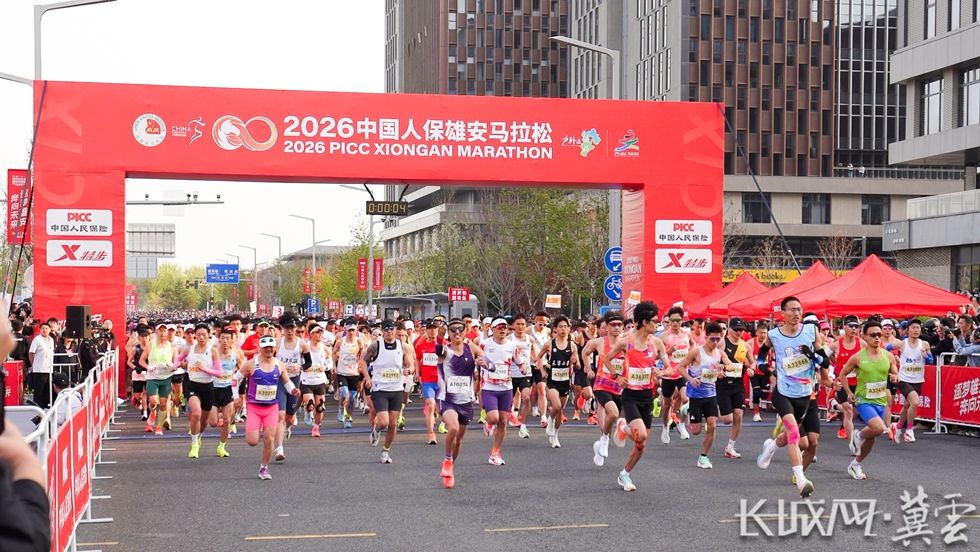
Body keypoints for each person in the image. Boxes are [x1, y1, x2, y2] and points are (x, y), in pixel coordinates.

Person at [755, 296, 832, 498]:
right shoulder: (773, 335)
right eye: (792, 310)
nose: (796, 313)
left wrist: (812, 355)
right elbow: (761, 356)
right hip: (783, 393)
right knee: (794, 434)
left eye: (799, 309)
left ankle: (770, 448)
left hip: (805, 394)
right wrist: (765, 368)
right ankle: (801, 480)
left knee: (791, 435)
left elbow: (825, 362)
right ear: (783, 313)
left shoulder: (810, 331)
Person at [604, 301, 671, 492]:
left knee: (642, 443)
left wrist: (661, 372)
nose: (657, 324)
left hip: (647, 395)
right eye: (654, 321)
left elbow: (669, 367)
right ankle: (624, 427)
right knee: (640, 434)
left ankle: (624, 474)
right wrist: (617, 377)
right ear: (644, 322)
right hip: (630, 395)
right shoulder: (626, 341)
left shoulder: (657, 343)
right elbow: (606, 359)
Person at [232, 335, 300, 480]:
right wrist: (236, 397)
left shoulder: (279, 365)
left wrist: (293, 390)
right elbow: (235, 379)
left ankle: (264, 468)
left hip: (271, 407)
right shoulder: (251, 364)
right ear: (260, 349)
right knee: (252, 441)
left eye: (271, 347)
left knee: (269, 438)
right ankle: (255, 430)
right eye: (265, 347)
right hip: (254, 407)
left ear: (275, 348)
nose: (269, 349)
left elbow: (287, 382)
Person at [837, 321, 899, 480]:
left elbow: (895, 372)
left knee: (872, 438)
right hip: (864, 400)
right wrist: (848, 392)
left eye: (879, 334)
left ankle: (855, 464)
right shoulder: (858, 357)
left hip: (881, 401)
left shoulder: (888, 355)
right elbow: (842, 374)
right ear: (865, 336)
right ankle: (858, 435)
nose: (877, 338)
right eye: (873, 335)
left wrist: (895, 377)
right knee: (878, 428)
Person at [677, 322, 738, 469]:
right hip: (696, 396)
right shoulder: (696, 352)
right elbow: (680, 367)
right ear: (706, 337)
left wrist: (724, 368)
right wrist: (690, 379)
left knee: (712, 426)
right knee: (696, 431)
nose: (715, 342)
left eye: (718, 339)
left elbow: (731, 366)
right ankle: (686, 410)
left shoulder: (720, 353)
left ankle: (703, 457)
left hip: (711, 395)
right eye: (712, 339)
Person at [436, 318, 487, 488]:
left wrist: (484, 363)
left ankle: (450, 468)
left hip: (466, 400)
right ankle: (447, 460)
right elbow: (437, 349)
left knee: (458, 440)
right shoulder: (445, 350)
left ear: (465, 332)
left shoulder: (471, 348)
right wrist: (439, 336)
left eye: (460, 329)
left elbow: (490, 363)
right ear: (448, 333)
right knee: (453, 428)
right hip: (447, 399)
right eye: (453, 330)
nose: (457, 332)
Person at [359, 319, 415, 464]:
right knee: (384, 422)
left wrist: (409, 370)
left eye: (391, 329)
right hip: (380, 388)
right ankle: (377, 429)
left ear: (395, 330)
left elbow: (411, 364)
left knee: (393, 424)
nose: (389, 331)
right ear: (382, 331)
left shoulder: (403, 346)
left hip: (396, 389)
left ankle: (385, 451)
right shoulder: (376, 345)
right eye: (386, 329)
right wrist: (367, 377)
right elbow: (363, 361)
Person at [479, 318, 524, 466]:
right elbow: (475, 358)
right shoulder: (485, 344)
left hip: (506, 388)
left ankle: (495, 453)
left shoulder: (512, 346)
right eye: (499, 327)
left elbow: (520, 362)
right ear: (492, 329)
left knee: (503, 421)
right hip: (489, 387)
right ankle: (488, 422)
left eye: (505, 327)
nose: (503, 330)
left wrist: (524, 369)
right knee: (493, 417)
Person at [586, 311, 625, 468]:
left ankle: (600, 445)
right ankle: (604, 439)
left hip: (618, 387)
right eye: (613, 325)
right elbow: (585, 352)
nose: (616, 327)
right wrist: (588, 368)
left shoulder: (625, 343)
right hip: (601, 384)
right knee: (613, 413)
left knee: (613, 417)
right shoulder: (599, 342)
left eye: (619, 325)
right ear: (607, 327)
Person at [535, 315, 579, 449]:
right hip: (552, 380)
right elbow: (539, 357)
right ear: (555, 329)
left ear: (569, 329)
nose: (563, 329)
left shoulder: (572, 345)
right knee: (557, 405)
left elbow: (578, 365)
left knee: (560, 411)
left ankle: (555, 435)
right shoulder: (550, 344)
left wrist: (575, 361)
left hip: (565, 381)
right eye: (561, 327)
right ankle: (550, 419)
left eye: (566, 327)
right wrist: (542, 371)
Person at [717, 318, 755, 459]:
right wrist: (718, 369)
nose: (739, 332)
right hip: (722, 384)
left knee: (738, 415)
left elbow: (752, 362)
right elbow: (713, 360)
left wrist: (751, 369)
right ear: (729, 329)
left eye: (741, 330)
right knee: (727, 420)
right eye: (736, 330)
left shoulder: (745, 345)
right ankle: (713, 408)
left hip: (738, 385)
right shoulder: (722, 342)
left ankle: (730, 447)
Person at [659, 306, 693, 443]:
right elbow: (657, 355)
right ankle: (665, 427)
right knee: (667, 404)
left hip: (682, 373)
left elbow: (693, 346)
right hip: (669, 374)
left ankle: (681, 424)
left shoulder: (687, 334)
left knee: (685, 398)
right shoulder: (664, 336)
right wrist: (668, 351)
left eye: (678, 320)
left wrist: (692, 357)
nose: (675, 323)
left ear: (682, 320)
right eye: (672, 320)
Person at [894, 319, 932, 443]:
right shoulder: (902, 344)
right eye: (913, 327)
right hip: (904, 379)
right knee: (915, 402)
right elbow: (886, 348)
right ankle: (909, 430)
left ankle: (897, 427)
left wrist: (926, 357)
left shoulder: (924, 344)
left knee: (907, 405)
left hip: (918, 379)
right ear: (908, 330)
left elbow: (931, 360)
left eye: (918, 328)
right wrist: (893, 359)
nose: (916, 330)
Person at [140, 323, 178, 435]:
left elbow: (176, 363)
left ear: (167, 333)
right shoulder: (150, 345)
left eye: (165, 331)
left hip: (166, 378)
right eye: (160, 331)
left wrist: (172, 367)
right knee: (153, 401)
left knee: (163, 403)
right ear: (156, 332)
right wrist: (148, 367)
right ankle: (152, 413)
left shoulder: (172, 347)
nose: (162, 333)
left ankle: (159, 426)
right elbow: (141, 360)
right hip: (153, 377)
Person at [507, 314, 537, 439]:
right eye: (518, 324)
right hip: (510, 375)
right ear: (513, 325)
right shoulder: (508, 339)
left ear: (526, 325)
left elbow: (534, 353)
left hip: (525, 374)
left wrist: (537, 361)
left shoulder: (530, 339)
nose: (520, 327)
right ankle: (505, 419)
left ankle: (523, 426)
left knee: (526, 398)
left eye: (523, 324)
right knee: (507, 402)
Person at [414, 319, 442, 444]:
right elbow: (417, 359)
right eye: (430, 329)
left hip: (441, 381)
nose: (433, 331)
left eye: (435, 329)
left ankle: (436, 415)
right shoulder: (421, 346)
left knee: (439, 408)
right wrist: (417, 372)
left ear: (438, 330)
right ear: (426, 331)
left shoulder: (443, 344)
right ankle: (431, 434)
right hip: (427, 381)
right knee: (430, 404)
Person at [300, 325, 330, 438]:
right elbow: (298, 360)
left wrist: (325, 367)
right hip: (307, 380)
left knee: (319, 407)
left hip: (320, 380)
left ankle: (316, 427)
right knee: (310, 404)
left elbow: (330, 361)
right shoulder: (305, 346)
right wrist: (303, 367)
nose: (320, 334)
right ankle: (308, 410)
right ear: (311, 334)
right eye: (318, 332)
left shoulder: (324, 347)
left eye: (321, 332)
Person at [28, 322, 55, 408]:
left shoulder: (51, 340)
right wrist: (34, 364)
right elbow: (31, 353)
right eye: (43, 328)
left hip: (49, 369)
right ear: (40, 330)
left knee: (47, 391)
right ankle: (37, 409)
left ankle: (46, 408)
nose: (44, 330)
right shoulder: (37, 340)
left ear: (50, 330)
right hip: (39, 370)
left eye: (46, 328)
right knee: (39, 391)